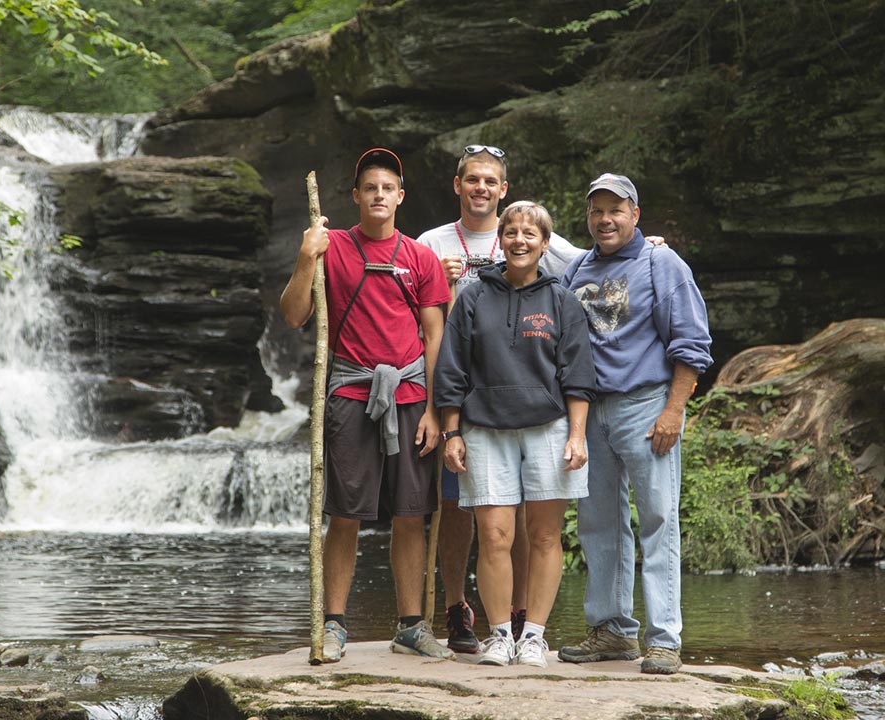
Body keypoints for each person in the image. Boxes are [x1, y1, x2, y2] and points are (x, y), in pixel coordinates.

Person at [279, 148, 454, 663]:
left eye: (388, 188)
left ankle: (411, 625)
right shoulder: (330, 246)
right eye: (369, 188)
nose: (379, 196)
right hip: (351, 393)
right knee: (346, 513)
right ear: (356, 196)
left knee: (410, 513)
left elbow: (433, 334)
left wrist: (433, 410)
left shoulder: (419, 257)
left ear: (400, 197)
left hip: (409, 395)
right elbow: (293, 316)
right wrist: (306, 255)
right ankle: (333, 625)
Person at [416, 145, 584, 653]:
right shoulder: (442, 256)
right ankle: (476, 622)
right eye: (473, 179)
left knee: (540, 534)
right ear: (458, 184)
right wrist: (447, 426)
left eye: (528, 234)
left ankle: (528, 631)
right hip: (477, 419)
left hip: (546, 423)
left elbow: (600, 257)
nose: (518, 240)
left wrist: (648, 247)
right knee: (483, 527)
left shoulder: (560, 292)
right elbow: (447, 358)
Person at [558, 173, 713, 675]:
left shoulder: (660, 262)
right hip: (589, 412)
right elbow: (524, 246)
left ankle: (664, 639)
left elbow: (691, 340)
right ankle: (613, 631)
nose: (605, 219)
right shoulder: (577, 266)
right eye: (596, 211)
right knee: (598, 524)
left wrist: (674, 410)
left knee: (658, 520)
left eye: (615, 210)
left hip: (646, 407)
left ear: (635, 215)